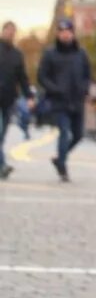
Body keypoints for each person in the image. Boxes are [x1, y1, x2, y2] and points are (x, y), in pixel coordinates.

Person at [38, 19, 91, 182]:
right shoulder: (50, 53)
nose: (65, 34)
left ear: (73, 33)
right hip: (59, 100)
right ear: (58, 34)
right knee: (64, 132)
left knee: (78, 135)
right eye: (62, 31)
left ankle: (60, 157)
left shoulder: (81, 53)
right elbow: (42, 76)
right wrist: (54, 88)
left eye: (68, 31)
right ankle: (62, 166)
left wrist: (84, 88)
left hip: (77, 99)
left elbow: (87, 74)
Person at [0, 21, 34, 180]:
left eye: (13, 31)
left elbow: (22, 78)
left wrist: (29, 96)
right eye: (8, 31)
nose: (10, 34)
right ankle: (2, 166)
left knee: (2, 134)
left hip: (8, 99)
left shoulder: (17, 54)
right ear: (3, 31)